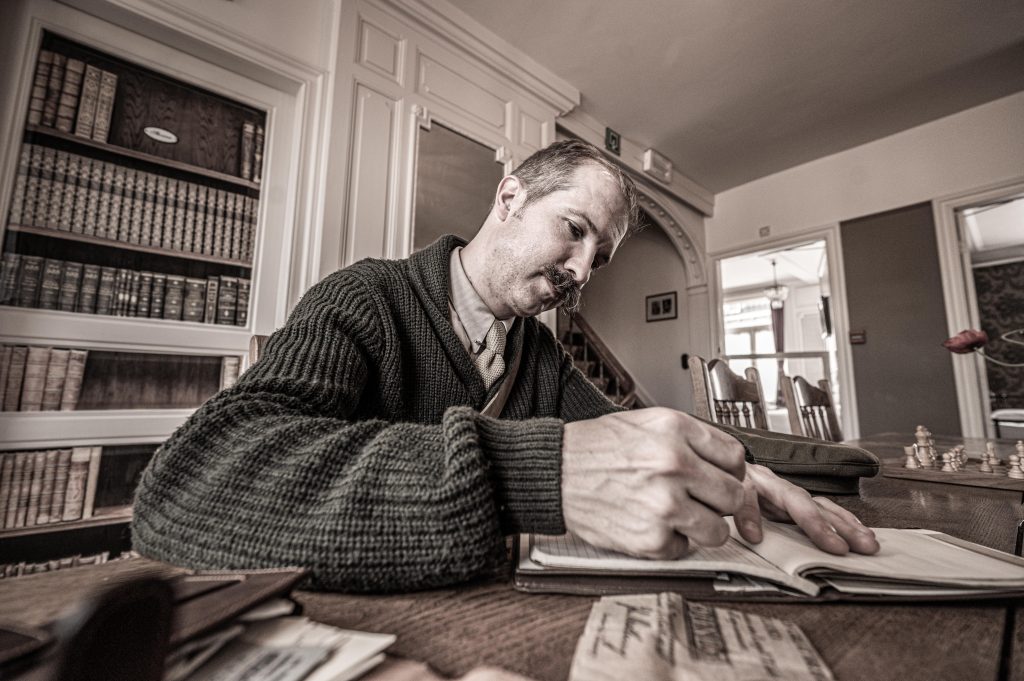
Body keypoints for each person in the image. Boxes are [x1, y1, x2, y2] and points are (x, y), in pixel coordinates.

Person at [132, 139, 878, 592]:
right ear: (511, 196)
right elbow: (189, 488)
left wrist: (752, 466)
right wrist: (540, 473)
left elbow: (637, 434)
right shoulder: (364, 299)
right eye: (575, 229)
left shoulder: (541, 355)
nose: (581, 270)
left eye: (598, 257)